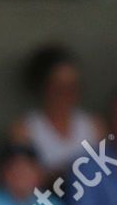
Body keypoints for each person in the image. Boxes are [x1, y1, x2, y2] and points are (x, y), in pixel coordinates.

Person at [9, 44, 100, 175]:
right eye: (60, 88)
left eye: (72, 87)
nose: (67, 95)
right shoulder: (24, 130)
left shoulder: (94, 126)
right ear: (43, 87)